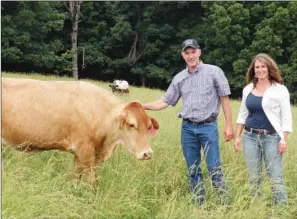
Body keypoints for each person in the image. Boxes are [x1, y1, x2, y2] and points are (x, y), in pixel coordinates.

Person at [142, 39, 234, 205]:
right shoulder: (179, 78)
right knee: (193, 169)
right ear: (182, 55)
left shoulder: (214, 72)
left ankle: (225, 204)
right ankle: (199, 203)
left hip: (208, 126)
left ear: (199, 52)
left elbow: (225, 100)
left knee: (214, 167)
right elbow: (165, 101)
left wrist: (228, 125)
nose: (190, 56)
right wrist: (142, 106)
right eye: (187, 53)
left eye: (193, 52)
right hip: (188, 129)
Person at [234, 53, 293, 205]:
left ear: (269, 68)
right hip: (250, 137)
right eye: (257, 67)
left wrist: (284, 140)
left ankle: (281, 209)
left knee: (275, 176)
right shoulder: (248, 89)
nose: (260, 70)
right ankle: (257, 208)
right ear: (253, 70)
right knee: (254, 176)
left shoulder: (280, 90)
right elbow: (242, 114)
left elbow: (286, 117)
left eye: (263, 66)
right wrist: (237, 137)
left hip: (272, 138)